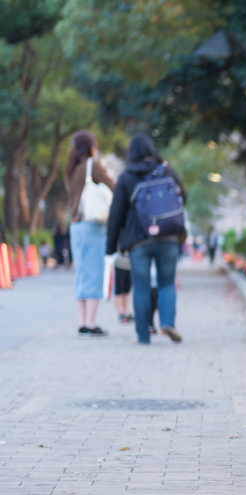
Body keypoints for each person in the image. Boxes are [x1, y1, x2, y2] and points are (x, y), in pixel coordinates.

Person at [106, 134, 187, 344]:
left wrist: (110, 247)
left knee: (140, 286)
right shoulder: (166, 170)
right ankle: (168, 322)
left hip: (138, 239)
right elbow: (183, 197)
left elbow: (115, 215)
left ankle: (143, 334)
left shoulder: (126, 177)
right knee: (167, 283)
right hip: (168, 236)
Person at [65, 130, 115, 337]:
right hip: (91, 226)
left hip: (75, 227)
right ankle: (91, 323)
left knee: (81, 273)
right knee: (94, 273)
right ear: (91, 147)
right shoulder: (92, 165)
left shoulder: (71, 169)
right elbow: (114, 186)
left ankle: (82, 322)